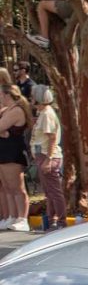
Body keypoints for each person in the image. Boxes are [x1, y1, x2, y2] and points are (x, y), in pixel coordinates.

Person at [30, 85, 66, 230]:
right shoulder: (43, 113)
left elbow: (51, 138)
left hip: (47, 155)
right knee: (49, 191)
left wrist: (48, 159)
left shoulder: (47, 114)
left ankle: (60, 221)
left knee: (54, 191)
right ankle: (52, 220)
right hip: (42, 155)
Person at [0, 84, 33, 231]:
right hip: (4, 150)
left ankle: (22, 218)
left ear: (8, 95)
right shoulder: (6, 110)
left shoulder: (17, 110)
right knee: (7, 186)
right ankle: (11, 216)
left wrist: (3, 131)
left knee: (17, 187)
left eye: (1, 94)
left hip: (13, 152)